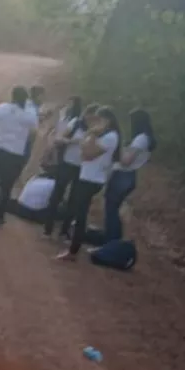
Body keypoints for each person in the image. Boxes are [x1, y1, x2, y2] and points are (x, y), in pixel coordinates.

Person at [57, 106, 121, 261]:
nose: (95, 123)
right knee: (79, 214)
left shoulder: (110, 137)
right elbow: (83, 150)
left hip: (92, 179)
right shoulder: (102, 135)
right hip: (87, 177)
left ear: (108, 120)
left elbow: (87, 154)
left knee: (80, 215)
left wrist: (91, 134)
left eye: (99, 120)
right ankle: (73, 248)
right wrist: (90, 137)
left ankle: (73, 251)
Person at [0, 86, 38, 228]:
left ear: (12, 96)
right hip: (14, 153)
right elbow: (33, 134)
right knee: (6, 187)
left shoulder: (1, 107)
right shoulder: (29, 114)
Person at [43, 102, 99, 239]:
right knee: (56, 195)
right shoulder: (75, 123)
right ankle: (47, 229)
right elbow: (60, 139)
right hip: (67, 164)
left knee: (74, 201)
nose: (89, 119)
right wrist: (72, 141)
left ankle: (64, 231)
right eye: (89, 115)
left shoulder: (99, 131)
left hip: (83, 168)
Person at [104, 108, 156, 241]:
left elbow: (127, 161)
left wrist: (116, 152)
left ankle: (111, 240)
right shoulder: (144, 139)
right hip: (127, 176)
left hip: (123, 175)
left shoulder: (140, 139)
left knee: (112, 209)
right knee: (113, 208)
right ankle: (112, 239)